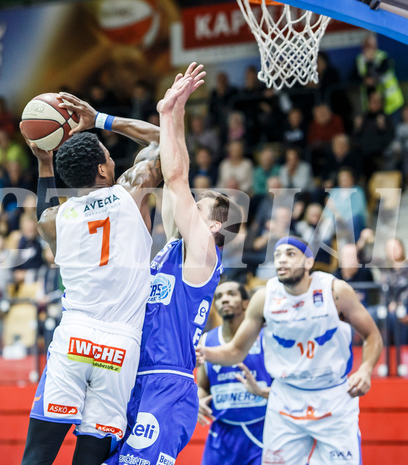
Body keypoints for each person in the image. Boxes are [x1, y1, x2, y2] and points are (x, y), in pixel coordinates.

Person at [19, 78, 164, 464]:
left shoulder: (54, 219)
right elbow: (164, 137)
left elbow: (43, 211)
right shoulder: (131, 193)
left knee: (39, 452)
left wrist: (44, 162)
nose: (114, 160)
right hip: (120, 347)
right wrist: (97, 118)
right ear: (103, 168)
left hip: (75, 339)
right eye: (109, 157)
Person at [106, 63, 243, 465]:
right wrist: (176, 111)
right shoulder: (175, 248)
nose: (187, 207)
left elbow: (179, 179)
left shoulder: (204, 250)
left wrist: (168, 115)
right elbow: (172, 176)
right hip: (137, 374)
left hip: (168, 383)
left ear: (213, 224)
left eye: (198, 207)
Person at [198, 236, 383, 465]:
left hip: (333, 396)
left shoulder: (335, 291)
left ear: (308, 263)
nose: (282, 261)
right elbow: (236, 351)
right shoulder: (264, 298)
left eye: (290, 254)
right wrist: (202, 352)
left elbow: (372, 335)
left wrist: (365, 369)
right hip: (286, 398)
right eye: (277, 256)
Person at [197, 282, 271, 465]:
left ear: (247, 303)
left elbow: (284, 388)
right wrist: (198, 401)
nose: (225, 299)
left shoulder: (265, 337)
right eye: (219, 297)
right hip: (222, 434)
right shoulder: (207, 340)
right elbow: (202, 387)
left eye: (231, 294)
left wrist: (261, 392)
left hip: (262, 430)